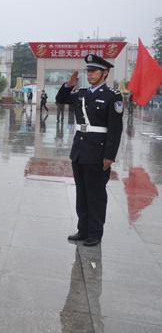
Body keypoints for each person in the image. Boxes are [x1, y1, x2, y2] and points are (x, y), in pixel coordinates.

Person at [56, 54, 124, 247]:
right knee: (82, 193)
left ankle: (95, 233)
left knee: (96, 194)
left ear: (105, 73)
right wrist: (68, 85)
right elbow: (60, 99)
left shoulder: (112, 96)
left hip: (98, 152)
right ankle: (83, 230)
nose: (90, 74)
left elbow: (115, 129)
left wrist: (109, 155)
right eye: (88, 71)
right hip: (79, 150)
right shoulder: (82, 93)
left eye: (94, 71)